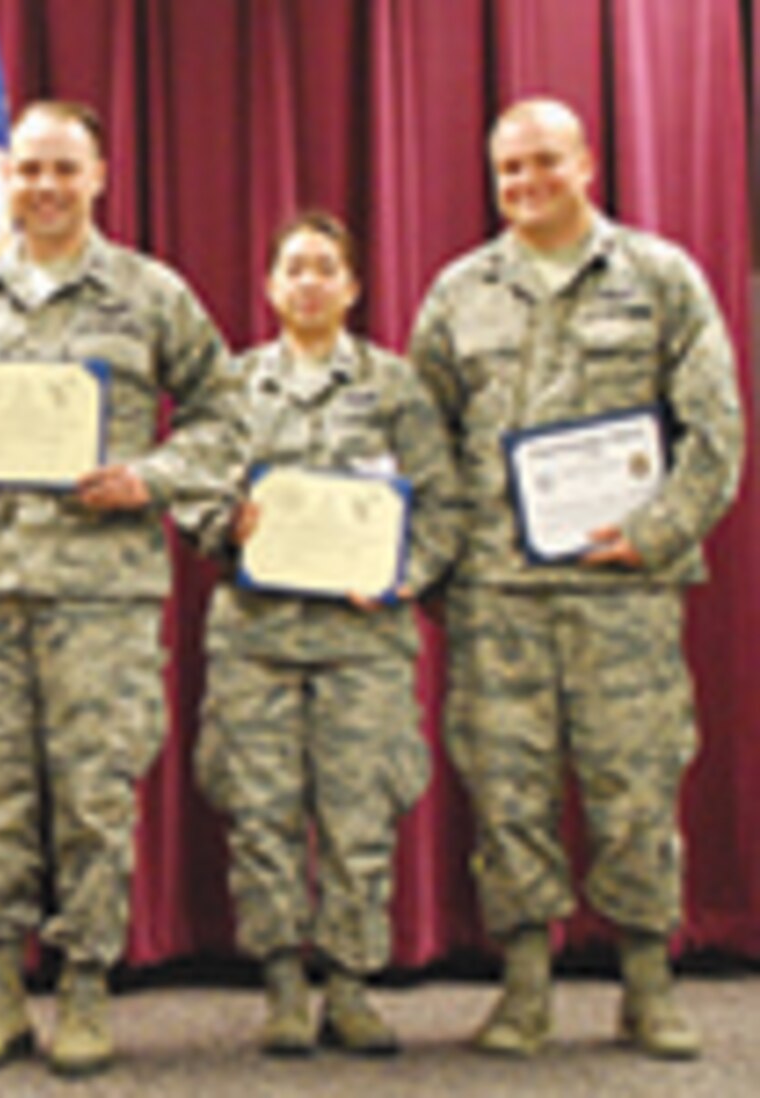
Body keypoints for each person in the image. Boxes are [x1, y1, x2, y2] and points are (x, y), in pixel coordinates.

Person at [0, 99, 233, 1077]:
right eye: (28, 170)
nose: (42, 188)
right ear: (6, 179)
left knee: (92, 796)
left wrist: (154, 479)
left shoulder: (150, 294)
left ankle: (84, 988)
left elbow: (222, 414)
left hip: (103, 592)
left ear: (98, 177)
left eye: (62, 170)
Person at [409, 97, 744, 1060]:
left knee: (636, 789)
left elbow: (716, 431)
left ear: (588, 162)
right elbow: (423, 447)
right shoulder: (457, 293)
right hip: (497, 599)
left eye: (544, 163)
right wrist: (437, 574)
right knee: (507, 796)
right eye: (509, 169)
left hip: (623, 594)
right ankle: (523, 991)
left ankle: (647, 984)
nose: (526, 184)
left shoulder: (660, 278)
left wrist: (658, 533)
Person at [184, 211, 458, 1056]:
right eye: (293, 268)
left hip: (362, 641)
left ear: (352, 287)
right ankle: (280, 986)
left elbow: (443, 503)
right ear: (270, 287)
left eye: (324, 268)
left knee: (358, 816)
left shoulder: (396, 386)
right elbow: (187, 487)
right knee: (259, 816)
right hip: (257, 639)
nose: (308, 282)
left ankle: (349, 985)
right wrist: (224, 522)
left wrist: (405, 575)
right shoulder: (229, 385)